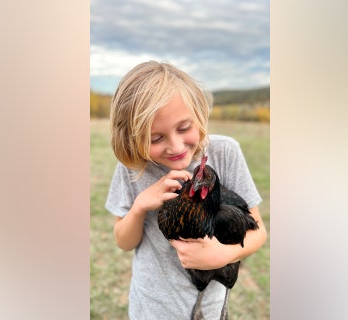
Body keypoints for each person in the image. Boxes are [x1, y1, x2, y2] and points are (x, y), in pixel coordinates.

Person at [105, 60, 267, 319]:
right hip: (152, 305)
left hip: (207, 308)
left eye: (184, 128)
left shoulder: (224, 152)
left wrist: (223, 254)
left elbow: (259, 231)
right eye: (156, 138)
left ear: (199, 114)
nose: (176, 145)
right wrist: (140, 205)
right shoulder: (133, 167)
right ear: (133, 139)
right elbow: (123, 241)